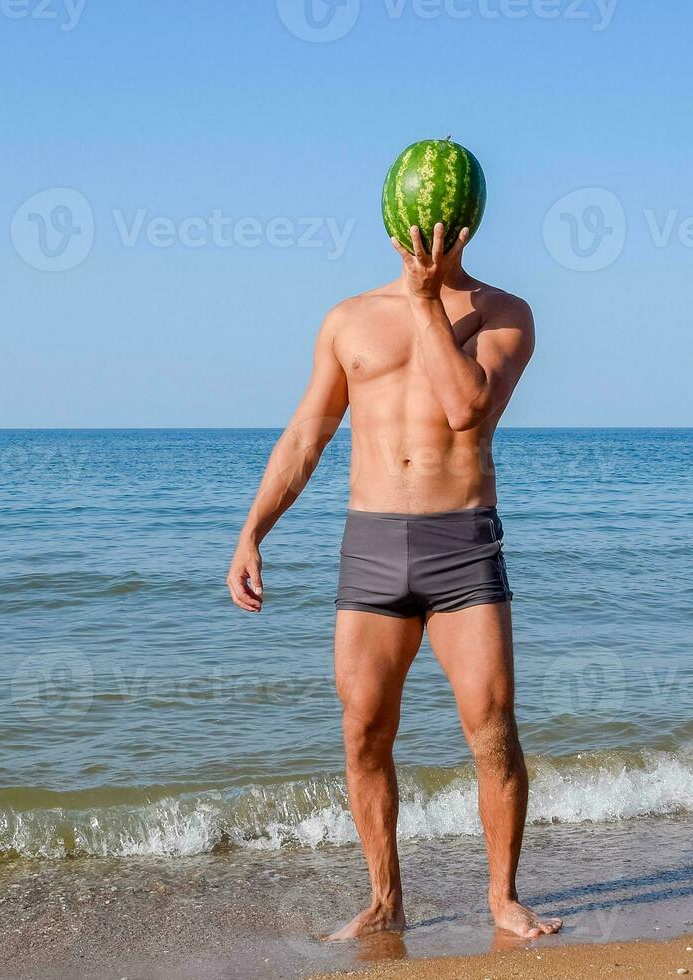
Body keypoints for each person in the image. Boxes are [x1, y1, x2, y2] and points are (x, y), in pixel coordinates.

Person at [227, 221, 561, 940]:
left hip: (461, 543)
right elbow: (305, 436)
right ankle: (385, 900)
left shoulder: (506, 314)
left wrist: (422, 301)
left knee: (491, 730)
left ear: (464, 225)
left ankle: (502, 899)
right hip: (371, 544)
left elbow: (465, 407)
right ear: (389, 225)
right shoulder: (347, 320)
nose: (422, 238)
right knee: (363, 734)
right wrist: (253, 530)